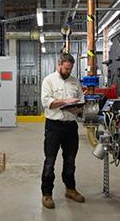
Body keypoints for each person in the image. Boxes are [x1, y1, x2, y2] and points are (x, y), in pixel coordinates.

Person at [39, 53, 85, 209]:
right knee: (50, 162)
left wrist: (78, 109)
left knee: (70, 161)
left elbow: (81, 101)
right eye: (66, 68)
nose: (68, 71)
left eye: (71, 68)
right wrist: (65, 101)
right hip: (54, 126)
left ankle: (70, 189)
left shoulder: (74, 81)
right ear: (59, 65)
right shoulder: (49, 80)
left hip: (71, 126)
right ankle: (47, 194)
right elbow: (47, 102)